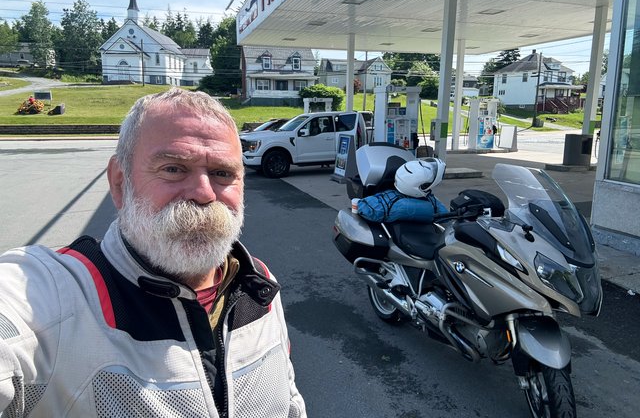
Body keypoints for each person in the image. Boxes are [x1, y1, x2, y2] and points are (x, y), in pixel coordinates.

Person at [0, 88, 306, 417]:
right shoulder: (53, 298)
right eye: (173, 169)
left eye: (222, 173)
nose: (204, 194)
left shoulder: (259, 285)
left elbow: (288, 398)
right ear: (119, 182)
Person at [357, 158, 448, 222]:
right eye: (426, 185)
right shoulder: (432, 204)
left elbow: (363, 207)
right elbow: (447, 217)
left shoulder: (389, 201)